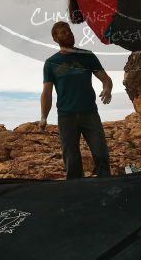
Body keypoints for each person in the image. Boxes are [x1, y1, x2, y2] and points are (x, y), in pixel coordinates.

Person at [40, 21, 112, 179]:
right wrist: (44, 117)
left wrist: (107, 88)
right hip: (66, 117)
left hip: (90, 114)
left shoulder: (87, 56)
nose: (69, 34)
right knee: (72, 162)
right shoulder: (51, 63)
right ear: (55, 38)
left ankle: (107, 188)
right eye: (63, 32)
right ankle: (76, 192)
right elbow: (47, 92)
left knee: (101, 155)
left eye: (69, 31)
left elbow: (106, 78)